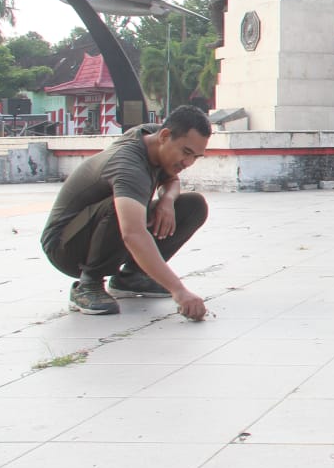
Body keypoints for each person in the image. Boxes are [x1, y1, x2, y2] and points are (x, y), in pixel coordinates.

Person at [40, 106, 211, 320]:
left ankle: (133, 277)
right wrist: (179, 291)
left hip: (97, 230)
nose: (188, 163)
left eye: (196, 156)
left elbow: (171, 179)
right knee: (123, 207)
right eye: (186, 153)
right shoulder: (129, 166)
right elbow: (133, 234)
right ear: (165, 136)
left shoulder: (153, 136)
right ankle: (88, 283)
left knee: (193, 206)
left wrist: (167, 201)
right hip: (65, 246)